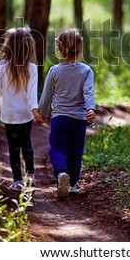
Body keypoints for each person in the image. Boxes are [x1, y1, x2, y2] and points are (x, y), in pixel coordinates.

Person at [39, 28, 95, 200]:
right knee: (75, 152)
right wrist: (90, 109)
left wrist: (42, 112)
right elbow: (88, 92)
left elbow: (46, 95)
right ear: (80, 47)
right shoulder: (86, 71)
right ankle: (72, 184)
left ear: (60, 48)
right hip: (79, 120)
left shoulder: (55, 70)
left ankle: (62, 173)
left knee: (56, 148)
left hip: (60, 119)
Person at [0, 27, 44, 191]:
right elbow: (32, 94)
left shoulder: (2, 65)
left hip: (8, 114)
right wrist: (35, 111)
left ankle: (17, 180)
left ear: (9, 45)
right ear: (29, 47)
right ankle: (30, 175)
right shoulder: (32, 68)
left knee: (13, 147)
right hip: (25, 114)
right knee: (26, 143)